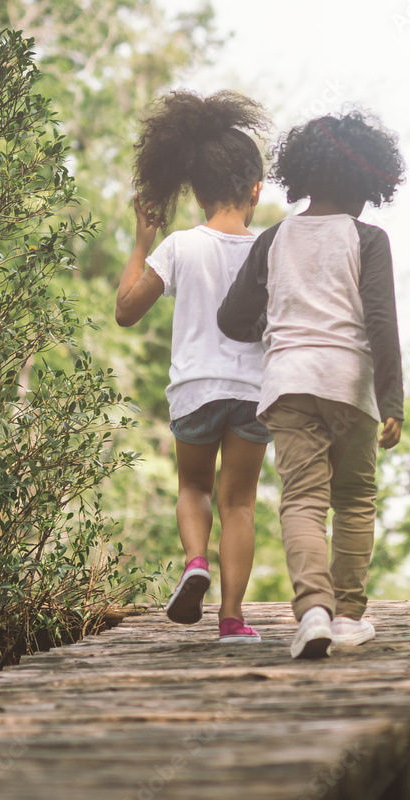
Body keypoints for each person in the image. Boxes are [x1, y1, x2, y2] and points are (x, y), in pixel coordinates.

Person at [218, 110, 406, 660]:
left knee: (302, 500)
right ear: (367, 185)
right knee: (353, 500)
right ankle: (348, 616)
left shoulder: (274, 238)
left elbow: (232, 319)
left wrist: (275, 327)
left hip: (289, 385)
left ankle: (314, 613)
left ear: (305, 176)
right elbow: (381, 323)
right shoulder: (367, 239)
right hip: (351, 386)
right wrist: (392, 398)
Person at [115, 89, 272, 643]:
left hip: (195, 389)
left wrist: (142, 242)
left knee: (193, 489)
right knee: (241, 504)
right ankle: (232, 620)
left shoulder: (180, 245)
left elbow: (126, 311)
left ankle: (195, 563)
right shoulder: (269, 251)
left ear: (197, 190)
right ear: (256, 189)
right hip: (256, 392)